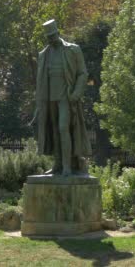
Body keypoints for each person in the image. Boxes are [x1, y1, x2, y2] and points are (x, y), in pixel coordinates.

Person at [35, 19, 92, 175]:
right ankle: (58, 164)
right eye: (49, 37)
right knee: (54, 130)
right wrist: (39, 105)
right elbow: (40, 81)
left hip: (66, 98)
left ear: (58, 33)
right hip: (49, 98)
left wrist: (76, 94)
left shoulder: (73, 49)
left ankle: (68, 166)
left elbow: (82, 73)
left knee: (63, 127)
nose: (51, 39)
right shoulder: (44, 54)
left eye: (53, 36)